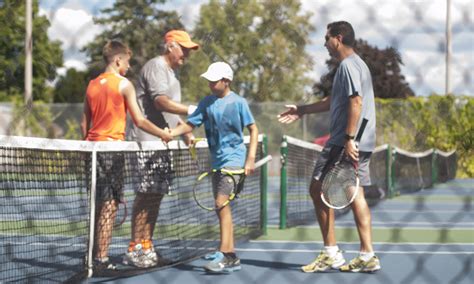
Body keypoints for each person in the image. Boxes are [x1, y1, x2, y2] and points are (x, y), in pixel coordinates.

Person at [278, 21, 381, 273]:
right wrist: (301, 110)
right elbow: (333, 100)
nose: (324, 43)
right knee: (356, 194)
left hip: (344, 141)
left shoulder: (347, 66)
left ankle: (331, 252)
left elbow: (355, 102)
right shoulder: (358, 65)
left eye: (327, 38)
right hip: (364, 140)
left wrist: (348, 138)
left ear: (338, 37)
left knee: (317, 189)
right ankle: (367, 254)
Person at [81, 40, 172, 273]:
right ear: (118, 59)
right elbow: (140, 120)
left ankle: (92, 256)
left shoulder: (91, 84)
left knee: (97, 204)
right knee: (109, 205)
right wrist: (163, 133)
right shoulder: (124, 85)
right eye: (128, 62)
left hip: (91, 150)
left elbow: (85, 122)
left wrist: (87, 146)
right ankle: (101, 259)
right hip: (112, 150)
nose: (129, 67)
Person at [170, 62, 259, 273]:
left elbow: (254, 130)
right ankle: (230, 254)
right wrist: (169, 134)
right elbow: (190, 125)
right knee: (222, 208)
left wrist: (251, 158)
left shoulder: (239, 102)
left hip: (234, 161)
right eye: (209, 79)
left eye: (214, 80)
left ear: (226, 81)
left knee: (220, 203)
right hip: (217, 162)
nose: (210, 83)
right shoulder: (206, 103)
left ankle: (225, 254)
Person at [123, 30, 199, 268]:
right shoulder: (156, 67)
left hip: (163, 142)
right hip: (147, 140)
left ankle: (147, 246)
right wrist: (191, 110)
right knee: (146, 194)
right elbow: (160, 102)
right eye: (184, 48)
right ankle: (134, 247)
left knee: (155, 196)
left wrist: (187, 133)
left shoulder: (173, 77)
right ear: (170, 47)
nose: (187, 54)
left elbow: (169, 114)